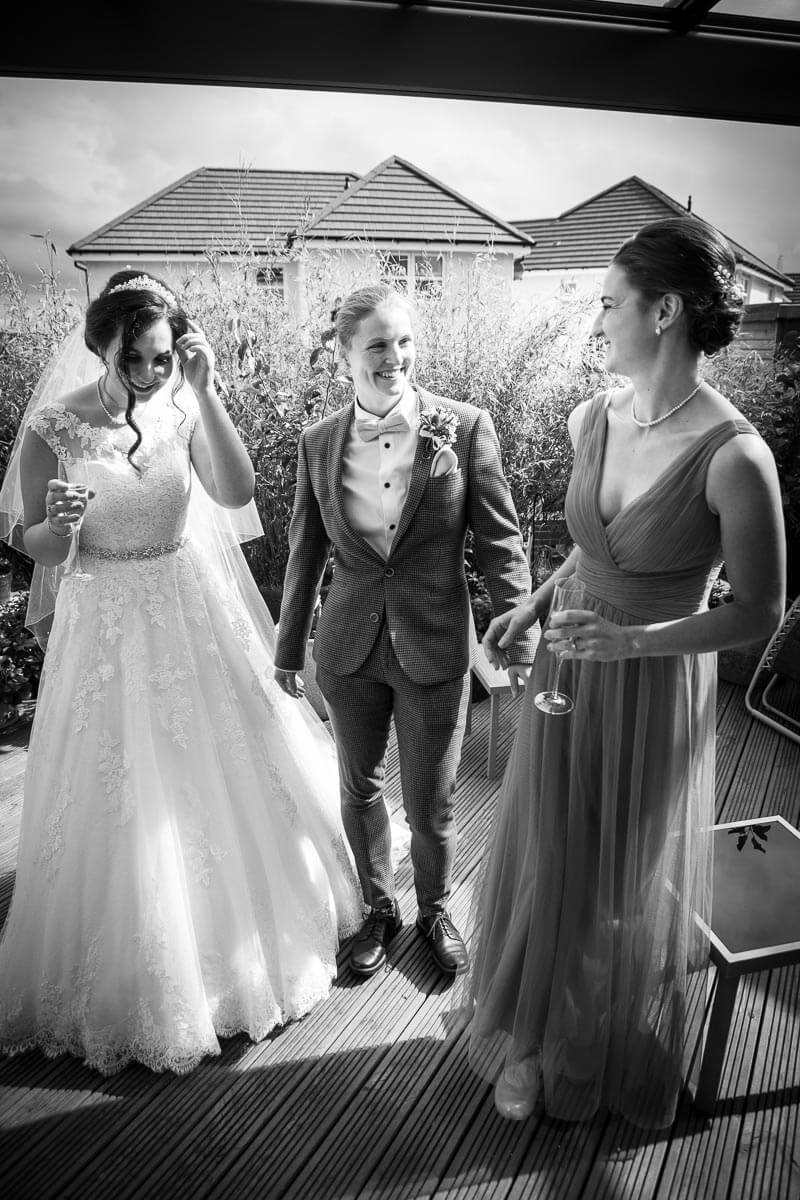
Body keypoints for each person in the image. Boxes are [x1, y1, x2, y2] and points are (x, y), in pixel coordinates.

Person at [462, 217, 786, 1129]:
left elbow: (758, 613)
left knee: (612, 872)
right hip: (568, 661)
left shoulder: (736, 458)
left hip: (653, 682)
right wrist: (535, 604)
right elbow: (593, 549)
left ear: (665, 311)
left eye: (610, 303)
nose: (597, 319)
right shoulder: (592, 416)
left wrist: (633, 645)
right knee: (551, 843)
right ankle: (530, 1033)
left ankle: (565, 1040)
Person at [0, 270, 365, 1076]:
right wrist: (56, 526)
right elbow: (41, 550)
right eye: (134, 359)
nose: (149, 373)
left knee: (213, 765)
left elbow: (236, 491)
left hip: (185, 602)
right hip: (102, 623)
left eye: (162, 357)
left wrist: (203, 389)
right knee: (119, 783)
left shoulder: (183, 403)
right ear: (100, 348)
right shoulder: (52, 429)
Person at [274, 283, 537, 980]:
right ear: (345, 356)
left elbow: (501, 543)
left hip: (435, 643)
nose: (395, 356)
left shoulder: (465, 427)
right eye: (379, 344)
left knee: (431, 800)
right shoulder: (317, 442)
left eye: (405, 340)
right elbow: (305, 551)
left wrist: (520, 642)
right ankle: (378, 909)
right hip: (348, 648)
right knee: (358, 787)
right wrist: (288, 648)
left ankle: (435, 909)